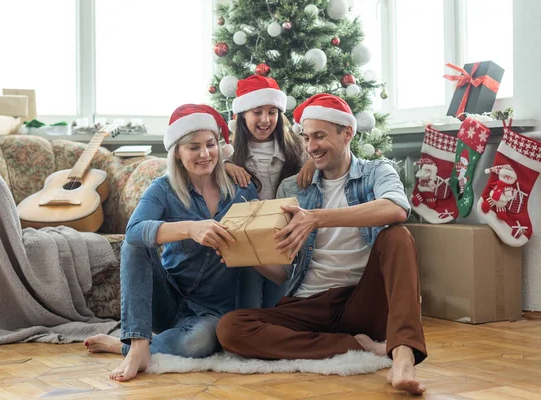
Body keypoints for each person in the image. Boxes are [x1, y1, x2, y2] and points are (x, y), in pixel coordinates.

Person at [216, 94, 428, 395]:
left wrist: (317, 218)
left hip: (361, 301)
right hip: (307, 303)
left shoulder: (376, 172)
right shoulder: (292, 187)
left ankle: (403, 355)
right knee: (230, 329)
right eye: (306, 137)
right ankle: (353, 344)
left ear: (347, 133)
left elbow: (396, 208)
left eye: (319, 136)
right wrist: (243, 252)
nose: (311, 146)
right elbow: (282, 271)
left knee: (397, 236)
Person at [84, 104, 258, 382]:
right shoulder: (163, 188)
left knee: (198, 343)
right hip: (167, 297)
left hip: (212, 309)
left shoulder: (241, 190)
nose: (204, 154)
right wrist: (190, 228)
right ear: (177, 152)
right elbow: (134, 232)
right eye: (193, 147)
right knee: (134, 245)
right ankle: (139, 344)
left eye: (210, 145)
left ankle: (126, 346)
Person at [224, 74, 316, 308]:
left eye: (272, 112)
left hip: (284, 239)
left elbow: (327, 154)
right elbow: (207, 169)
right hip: (248, 239)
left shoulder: (296, 146)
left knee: (279, 305)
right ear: (243, 114)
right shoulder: (229, 152)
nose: (265, 120)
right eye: (257, 112)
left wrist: (312, 161)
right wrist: (226, 165)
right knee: (250, 304)